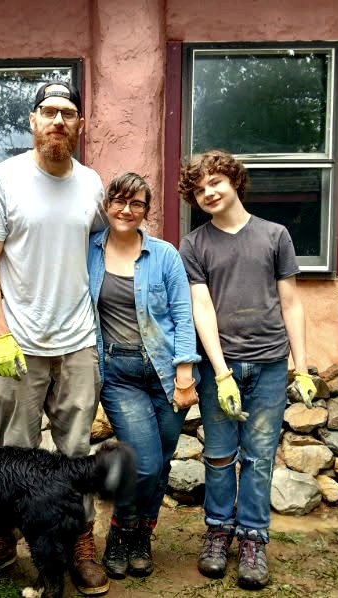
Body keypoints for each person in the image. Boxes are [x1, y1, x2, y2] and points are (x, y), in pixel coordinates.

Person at [0, 80, 110, 595]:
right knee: (13, 451)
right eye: (48, 111)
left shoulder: (93, 184)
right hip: (19, 343)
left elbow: (100, 249)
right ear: (31, 120)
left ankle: (78, 541)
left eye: (68, 113)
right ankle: (1, 540)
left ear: (80, 126)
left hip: (78, 340)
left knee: (76, 450)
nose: (57, 120)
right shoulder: (2, 178)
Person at [177, 150, 317, 590]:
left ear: (235, 180)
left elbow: (291, 303)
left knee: (257, 459)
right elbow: (201, 307)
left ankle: (253, 539)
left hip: (271, 365)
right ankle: (218, 532)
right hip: (221, 366)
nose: (208, 193)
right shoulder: (194, 244)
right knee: (219, 456)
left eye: (214, 182)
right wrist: (219, 373)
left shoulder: (275, 236)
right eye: (199, 190)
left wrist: (303, 367)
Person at [88, 172, 201, 579]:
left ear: (146, 211)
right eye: (119, 200)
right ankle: (120, 530)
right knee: (145, 463)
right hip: (120, 375)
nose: (126, 209)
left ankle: (142, 536)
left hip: (168, 371)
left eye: (136, 203)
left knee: (162, 460)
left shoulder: (165, 255)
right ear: (107, 205)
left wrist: (185, 374)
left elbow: (183, 314)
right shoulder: (89, 253)